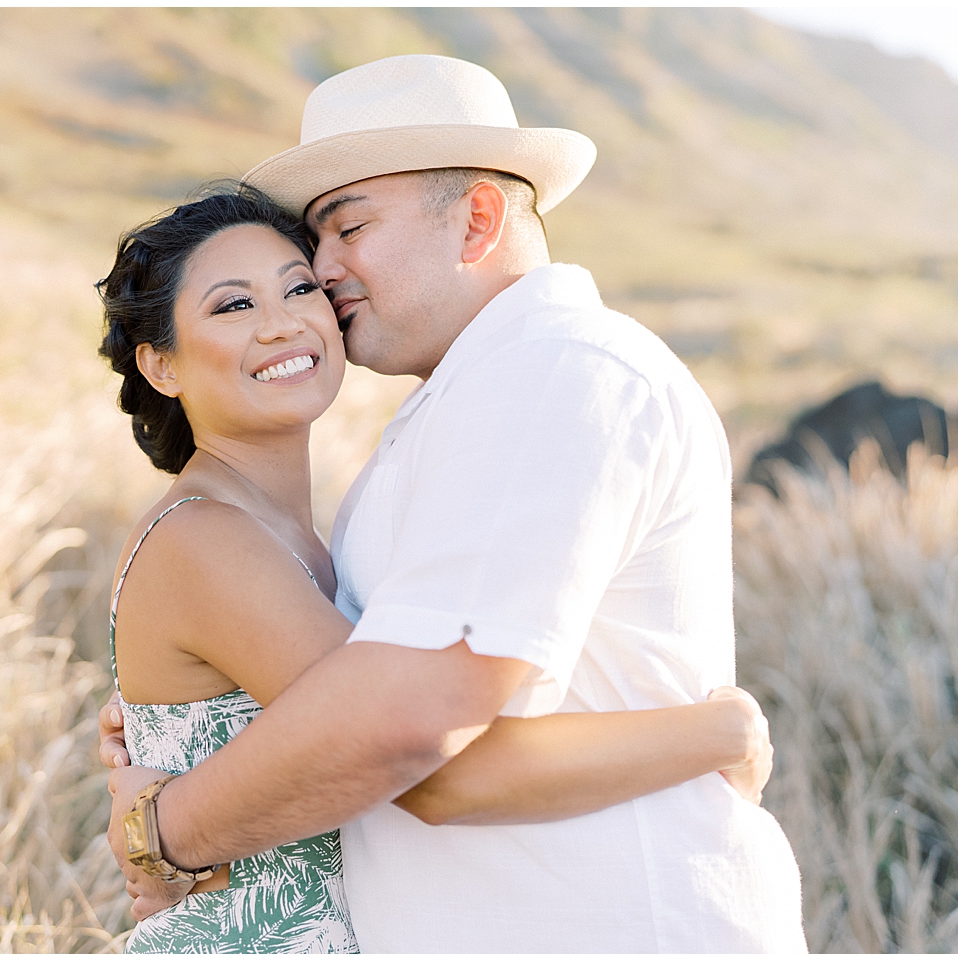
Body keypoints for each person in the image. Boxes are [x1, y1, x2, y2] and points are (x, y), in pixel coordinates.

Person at [100, 54, 807, 953]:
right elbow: (351, 695)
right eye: (313, 242)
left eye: (347, 228)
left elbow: (414, 731)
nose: (324, 271)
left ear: (477, 219)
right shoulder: (452, 410)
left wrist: (163, 828)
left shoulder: (552, 375)